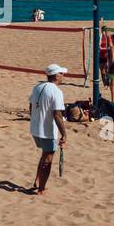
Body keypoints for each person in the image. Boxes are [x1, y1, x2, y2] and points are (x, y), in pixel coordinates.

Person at [29, 64, 69, 195]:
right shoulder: (56, 91)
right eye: (61, 74)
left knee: (44, 155)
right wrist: (64, 134)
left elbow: (31, 107)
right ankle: (41, 188)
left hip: (35, 129)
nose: (63, 76)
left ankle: (37, 181)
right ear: (56, 75)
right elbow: (57, 114)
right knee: (48, 159)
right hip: (46, 131)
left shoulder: (37, 87)